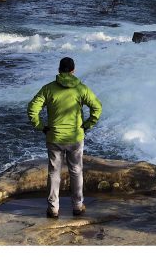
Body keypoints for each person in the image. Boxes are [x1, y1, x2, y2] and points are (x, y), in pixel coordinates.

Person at [27, 57, 102, 219]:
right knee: (76, 171)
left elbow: (32, 108)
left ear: (59, 70)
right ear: (73, 70)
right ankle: (77, 205)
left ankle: (53, 208)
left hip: (54, 137)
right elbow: (97, 107)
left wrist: (40, 126)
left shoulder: (48, 89)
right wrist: (88, 124)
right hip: (75, 137)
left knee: (54, 173)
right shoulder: (81, 89)